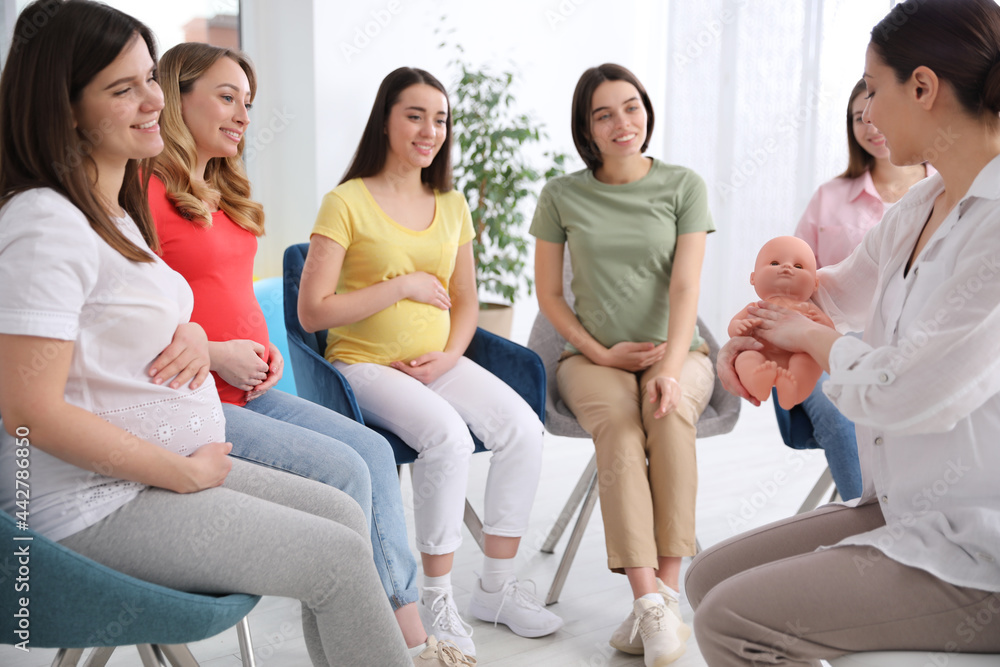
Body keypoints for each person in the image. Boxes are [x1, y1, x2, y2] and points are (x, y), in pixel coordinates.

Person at [0, 2, 414, 666]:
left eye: (149, 79)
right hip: (93, 504)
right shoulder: (44, 222)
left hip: (156, 477)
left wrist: (192, 330)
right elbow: (28, 410)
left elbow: (121, 326)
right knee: (336, 556)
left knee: (343, 513)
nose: (150, 100)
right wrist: (181, 473)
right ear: (66, 109)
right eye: (122, 88)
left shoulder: (112, 213)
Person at [688, 1, 1000, 663]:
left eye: (874, 88)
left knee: (731, 619)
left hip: (981, 547)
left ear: (922, 87)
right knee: (703, 577)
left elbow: (908, 390)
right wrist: (771, 316)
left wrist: (811, 339)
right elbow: (839, 287)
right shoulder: (923, 203)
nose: (868, 113)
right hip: (912, 505)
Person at [145, 43, 458, 663]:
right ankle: (407, 641)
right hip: (192, 400)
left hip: (253, 387)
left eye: (249, 103)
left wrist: (265, 348)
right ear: (176, 98)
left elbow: (226, 295)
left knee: (369, 451)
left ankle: (390, 629)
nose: (243, 115)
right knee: (343, 474)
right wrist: (212, 352)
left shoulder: (224, 191)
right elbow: (126, 320)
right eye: (227, 97)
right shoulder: (143, 193)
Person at [296, 66, 562, 658]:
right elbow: (313, 311)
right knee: (447, 438)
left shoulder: (451, 203)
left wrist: (449, 357)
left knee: (522, 427)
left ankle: (494, 588)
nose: (429, 129)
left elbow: (466, 299)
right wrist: (402, 286)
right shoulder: (346, 201)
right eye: (415, 115)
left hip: (437, 362)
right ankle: (436, 596)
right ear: (385, 120)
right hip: (363, 365)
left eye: (440, 118)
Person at [531, 63, 716, 667]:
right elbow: (551, 297)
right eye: (604, 113)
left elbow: (686, 286)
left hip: (677, 349)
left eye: (631, 107)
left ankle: (660, 598)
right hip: (593, 357)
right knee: (619, 424)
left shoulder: (683, 185)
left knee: (667, 412)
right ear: (586, 127)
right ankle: (651, 602)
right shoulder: (561, 195)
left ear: (647, 110)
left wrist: (669, 362)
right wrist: (601, 351)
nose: (622, 123)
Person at [777, 78, 936, 501]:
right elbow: (793, 283)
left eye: (876, 107)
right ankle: (866, 518)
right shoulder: (830, 197)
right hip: (823, 345)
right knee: (843, 410)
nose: (870, 122)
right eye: (857, 117)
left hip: (911, 352)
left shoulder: (947, 196)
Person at [729, 236, 834, 409]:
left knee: (808, 362)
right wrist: (738, 327)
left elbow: (829, 334)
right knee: (745, 357)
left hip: (798, 353)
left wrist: (822, 321)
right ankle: (756, 382)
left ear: (815, 283)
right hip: (761, 352)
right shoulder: (756, 307)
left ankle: (793, 390)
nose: (786, 267)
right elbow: (733, 328)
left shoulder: (809, 310)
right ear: (753, 278)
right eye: (775, 263)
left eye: (798, 266)